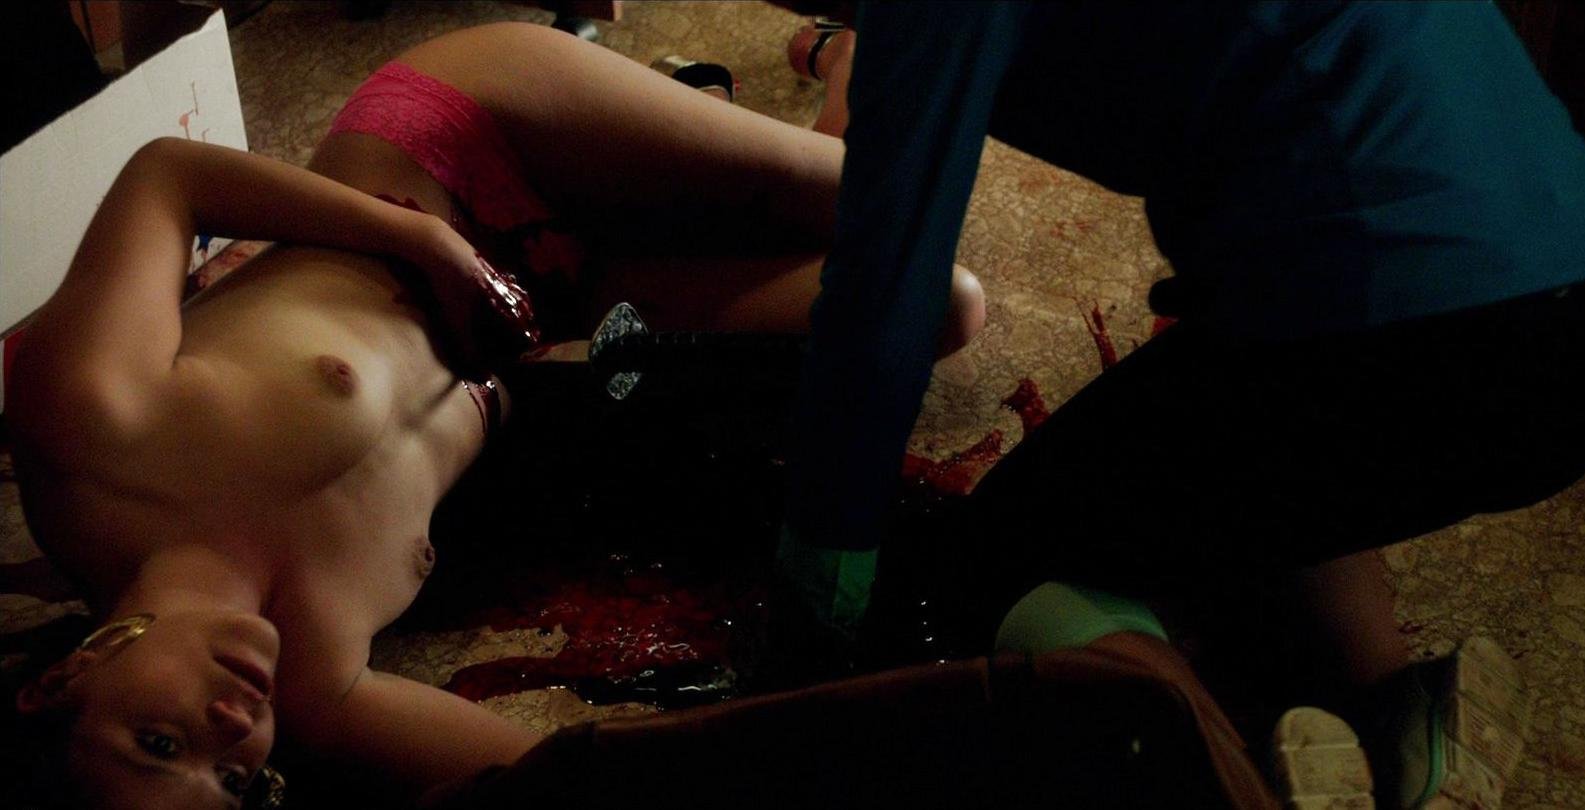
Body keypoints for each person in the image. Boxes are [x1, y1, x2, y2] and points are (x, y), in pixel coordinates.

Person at [2, 21, 982, 809]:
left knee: (889, 199)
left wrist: (422, 244)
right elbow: (578, 781)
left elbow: (169, 175)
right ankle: (802, 82)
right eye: (230, 782)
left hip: (462, 155)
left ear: (56, 684)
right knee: (936, 305)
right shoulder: (318, 683)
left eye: (158, 741)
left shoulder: (87, 433)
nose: (229, 730)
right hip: (569, 299)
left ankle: (775, 86)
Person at [771, 3, 1585, 806]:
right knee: (1250, 451)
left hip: (1411, 337)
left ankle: (1231, 778)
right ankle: (1395, 720)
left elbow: (888, 288)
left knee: (996, 568)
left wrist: (822, 585)